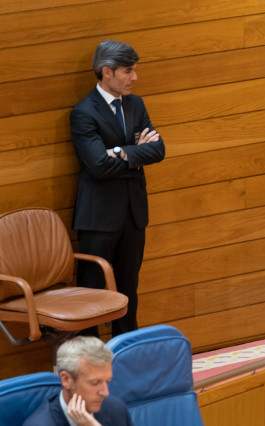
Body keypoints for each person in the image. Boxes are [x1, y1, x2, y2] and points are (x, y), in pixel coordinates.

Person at [70, 40, 165, 337]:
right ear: (106, 72)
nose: (134, 77)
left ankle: (126, 357)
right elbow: (97, 165)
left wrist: (121, 153)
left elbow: (158, 150)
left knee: (128, 289)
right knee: (91, 294)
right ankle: (90, 363)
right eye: (128, 71)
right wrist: (135, 153)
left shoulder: (136, 104)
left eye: (134, 70)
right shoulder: (84, 112)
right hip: (98, 217)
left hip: (133, 214)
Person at [23, 336, 132, 426]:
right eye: (95, 383)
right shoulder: (39, 424)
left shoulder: (116, 409)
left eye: (107, 381)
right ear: (66, 380)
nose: (105, 392)